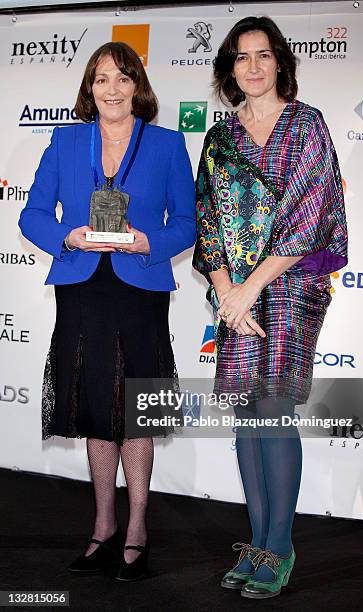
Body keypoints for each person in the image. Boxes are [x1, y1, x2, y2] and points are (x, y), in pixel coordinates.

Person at [19, 41, 196, 582]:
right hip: (82, 287)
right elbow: (30, 215)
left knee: (136, 408)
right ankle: (103, 527)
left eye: (122, 78)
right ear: (89, 89)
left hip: (139, 288)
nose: (111, 89)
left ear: (137, 85)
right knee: (97, 408)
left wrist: (149, 244)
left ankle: (138, 526)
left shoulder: (166, 145)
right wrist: (66, 236)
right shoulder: (66, 142)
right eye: (100, 80)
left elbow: (189, 222)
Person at [193, 16, 347, 599]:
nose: (252, 67)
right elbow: (208, 221)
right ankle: (257, 543)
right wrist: (227, 290)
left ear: (280, 61)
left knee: (273, 410)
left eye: (262, 55)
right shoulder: (220, 138)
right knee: (247, 418)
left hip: (288, 286)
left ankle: (279, 549)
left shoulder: (307, 125)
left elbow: (309, 218)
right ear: (229, 68)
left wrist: (248, 288)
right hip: (234, 295)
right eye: (240, 57)